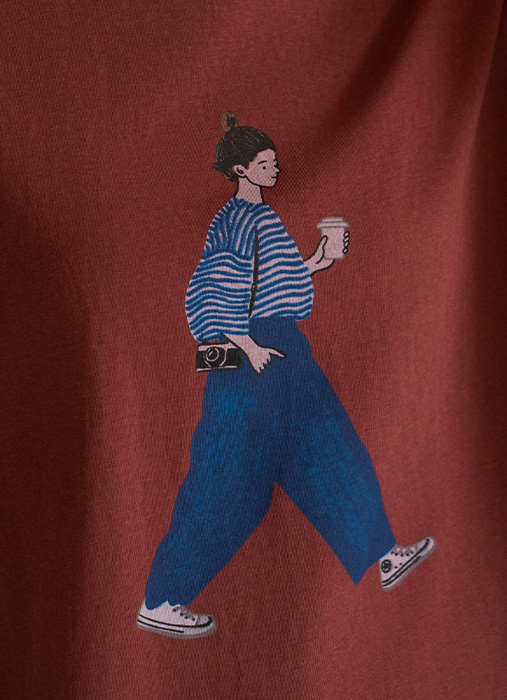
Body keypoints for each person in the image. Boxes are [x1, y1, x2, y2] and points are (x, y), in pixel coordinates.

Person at [136, 113, 436, 639]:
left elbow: (274, 284)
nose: (275, 169)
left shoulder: (262, 216)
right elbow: (213, 289)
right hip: (253, 356)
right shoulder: (234, 221)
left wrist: (319, 259)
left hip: (284, 350)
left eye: (274, 161)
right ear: (240, 169)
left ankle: (384, 553)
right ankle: (162, 598)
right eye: (265, 163)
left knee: (331, 450)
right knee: (226, 481)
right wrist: (247, 346)